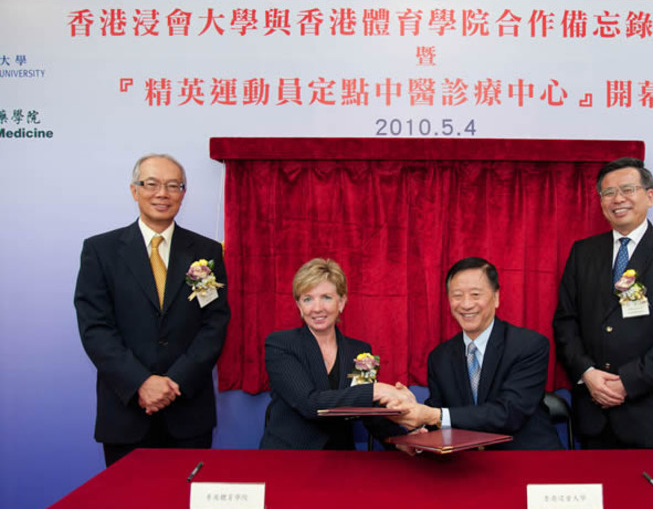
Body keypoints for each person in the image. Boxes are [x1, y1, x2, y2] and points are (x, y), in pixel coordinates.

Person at [75, 153, 230, 467]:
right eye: (152, 184)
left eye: (173, 186)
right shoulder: (100, 251)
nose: (163, 193)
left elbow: (214, 324)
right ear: (135, 190)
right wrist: (141, 383)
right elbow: (95, 328)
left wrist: (175, 382)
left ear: (183, 194)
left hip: (188, 409)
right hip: (127, 409)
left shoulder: (205, 252)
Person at [553, 157, 653, 449]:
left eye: (627, 189)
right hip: (595, 414)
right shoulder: (584, 252)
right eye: (608, 193)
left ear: (649, 195)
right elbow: (565, 322)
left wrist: (627, 382)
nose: (617, 199)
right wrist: (588, 374)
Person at [390, 257, 561, 450]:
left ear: (496, 297)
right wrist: (413, 417)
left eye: (475, 294)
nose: (466, 304)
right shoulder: (440, 357)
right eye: (457, 295)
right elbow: (438, 419)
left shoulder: (528, 345)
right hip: (465, 464)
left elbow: (509, 413)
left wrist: (433, 415)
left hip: (526, 458)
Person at [260, 258, 412, 450]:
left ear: (341, 302)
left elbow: (367, 411)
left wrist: (401, 441)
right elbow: (310, 404)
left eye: (326, 297)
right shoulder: (280, 344)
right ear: (299, 306)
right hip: (289, 456)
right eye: (308, 299)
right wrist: (376, 390)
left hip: (340, 457)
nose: (317, 308)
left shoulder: (361, 352)